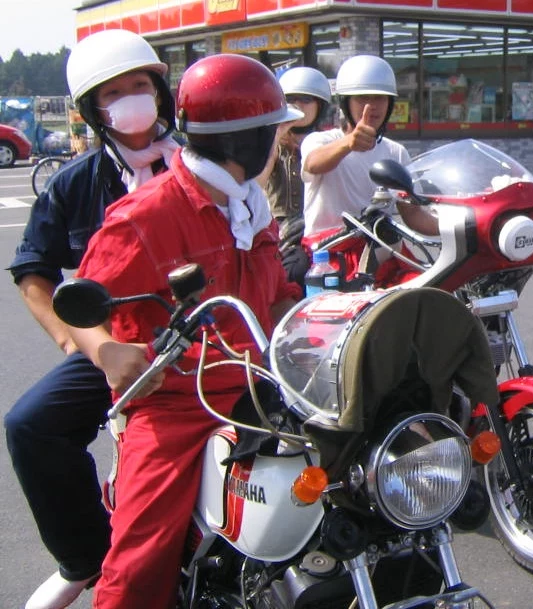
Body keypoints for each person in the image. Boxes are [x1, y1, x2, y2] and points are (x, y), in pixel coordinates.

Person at [65, 53, 303, 609]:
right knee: (139, 559)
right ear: (250, 141)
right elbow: (82, 302)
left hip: (263, 386)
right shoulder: (145, 215)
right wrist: (107, 351)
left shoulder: (250, 209)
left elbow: (277, 295)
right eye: (274, 132)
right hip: (177, 403)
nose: (279, 143)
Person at [4, 29, 179, 609]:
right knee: (31, 425)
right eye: (114, 92)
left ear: (162, 92)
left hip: (206, 341)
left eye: (141, 86)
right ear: (91, 110)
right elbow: (33, 270)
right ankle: (87, 557)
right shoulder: (73, 184)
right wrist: (83, 345)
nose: (132, 100)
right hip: (117, 347)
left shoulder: (201, 167)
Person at [300, 54, 436, 284]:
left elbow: (413, 215)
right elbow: (314, 163)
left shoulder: (396, 152)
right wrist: (349, 143)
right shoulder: (320, 141)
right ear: (345, 102)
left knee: (430, 295)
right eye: (363, 97)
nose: (372, 106)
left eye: (380, 98)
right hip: (331, 256)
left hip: (383, 252)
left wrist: (468, 225)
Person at [258, 66, 333, 285]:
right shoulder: (271, 144)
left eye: (306, 99)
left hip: (321, 229)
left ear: (320, 105)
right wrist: (277, 133)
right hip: (279, 231)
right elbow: (258, 181)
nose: (298, 105)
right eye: (291, 99)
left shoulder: (328, 144)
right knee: (293, 270)